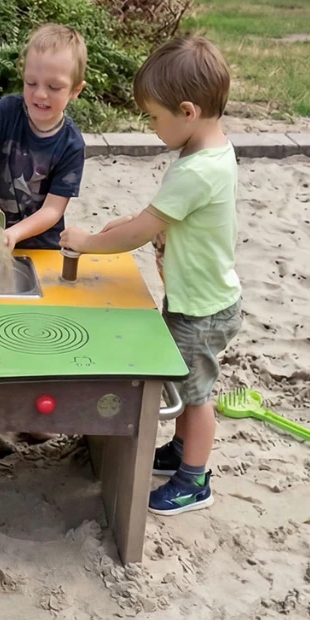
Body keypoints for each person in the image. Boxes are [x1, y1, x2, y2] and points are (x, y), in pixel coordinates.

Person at [59, 35, 242, 516]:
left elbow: (145, 230)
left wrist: (93, 243)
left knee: (196, 396)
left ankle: (194, 480)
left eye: (154, 118)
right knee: (185, 384)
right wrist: (128, 222)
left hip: (201, 309)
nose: (152, 127)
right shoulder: (212, 151)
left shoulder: (196, 171)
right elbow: (159, 217)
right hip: (199, 298)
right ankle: (183, 453)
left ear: (187, 111)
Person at [0, 24, 88, 250]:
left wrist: (14, 233)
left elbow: (52, 210)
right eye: (31, 83)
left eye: (54, 87)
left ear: (76, 90)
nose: (40, 94)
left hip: (40, 247)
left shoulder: (72, 144)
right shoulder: (7, 111)